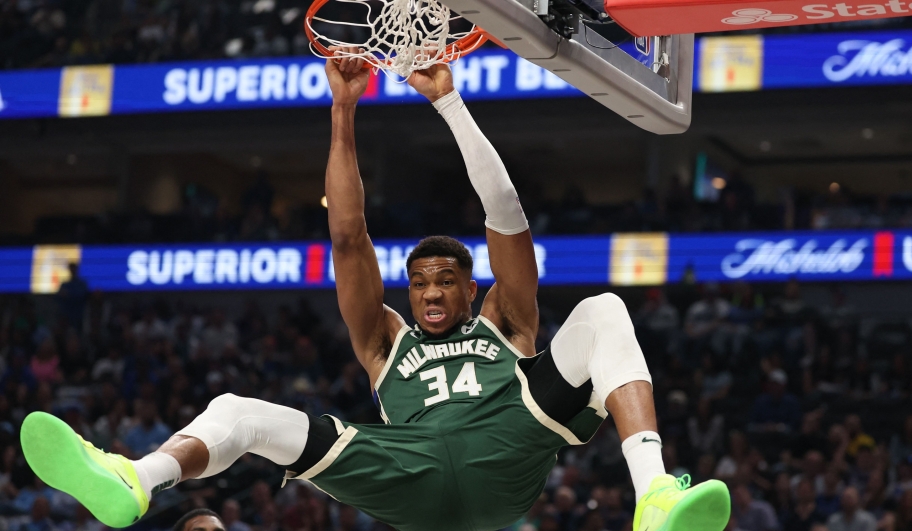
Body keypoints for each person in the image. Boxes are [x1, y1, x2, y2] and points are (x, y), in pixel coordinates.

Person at [19, 55, 729, 531]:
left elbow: (504, 208)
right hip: (406, 464)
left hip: (506, 445)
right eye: (418, 280)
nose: (427, 290)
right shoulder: (384, 340)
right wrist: (343, 108)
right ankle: (134, 478)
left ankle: (654, 494)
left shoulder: (506, 319)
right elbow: (350, 236)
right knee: (237, 412)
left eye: (444, 278)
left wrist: (447, 100)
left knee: (604, 310)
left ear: (471, 285)